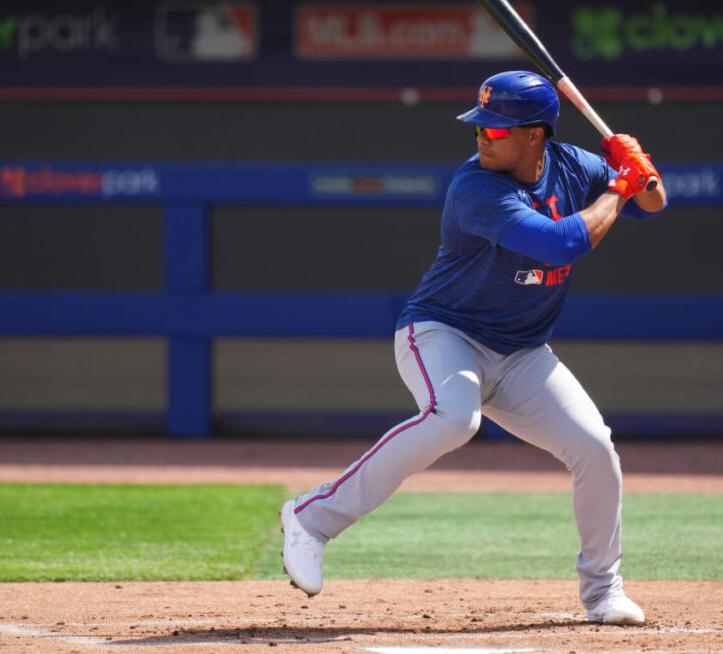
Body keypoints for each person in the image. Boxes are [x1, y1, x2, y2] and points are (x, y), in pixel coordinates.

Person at [279, 70, 667, 625]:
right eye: (480, 126)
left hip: (523, 352)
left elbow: (654, 205)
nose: (483, 136)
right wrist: (619, 185)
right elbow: (562, 244)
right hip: (443, 332)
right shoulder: (476, 187)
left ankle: (603, 591)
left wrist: (640, 169)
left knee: (596, 449)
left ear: (537, 135)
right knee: (454, 418)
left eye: (498, 129)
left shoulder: (573, 165)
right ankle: (312, 518)